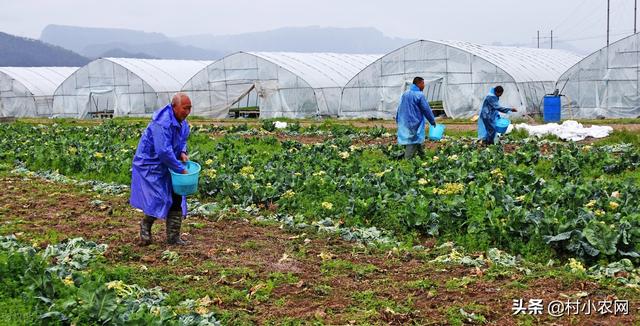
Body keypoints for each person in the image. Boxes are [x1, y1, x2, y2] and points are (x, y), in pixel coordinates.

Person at [131, 93, 192, 246]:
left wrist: (183, 152)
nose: (187, 112)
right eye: (185, 108)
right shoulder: (163, 123)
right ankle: (145, 227)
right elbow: (163, 151)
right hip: (151, 164)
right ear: (174, 107)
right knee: (158, 198)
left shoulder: (182, 122)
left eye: (189, 108)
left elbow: (182, 139)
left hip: (168, 163)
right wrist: (180, 168)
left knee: (177, 194)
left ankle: (173, 238)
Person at [396, 77, 437, 159]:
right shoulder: (420, 95)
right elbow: (426, 109)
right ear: (418, 84)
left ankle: (423, 157)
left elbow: (400, 107)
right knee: (413, 140)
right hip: (415, 122)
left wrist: (398, 118)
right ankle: (407, 160)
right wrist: (432, 121)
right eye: (423, 83)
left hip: (405, 122)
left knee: (417, 139)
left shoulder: (405, 93)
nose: (424, 86)